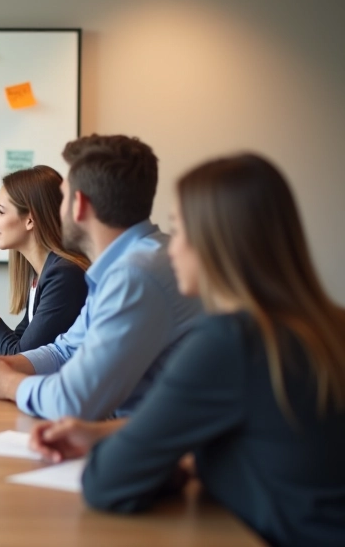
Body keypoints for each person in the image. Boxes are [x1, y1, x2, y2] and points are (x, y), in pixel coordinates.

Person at [29, 154, 345, 547]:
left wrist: (163, 460)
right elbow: (251, 430)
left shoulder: (229, 341)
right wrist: (102, 433)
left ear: (215, 241)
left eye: (178, 230)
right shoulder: (326, 325)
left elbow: (106, 484)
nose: (171, 248)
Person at [0, 135, 202, 420]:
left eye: (63, 196)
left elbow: (76, 400)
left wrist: (9, 383)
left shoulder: (134, 275)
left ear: (79, 205)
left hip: (153, 445)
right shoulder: (130, 262)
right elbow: (64, 350)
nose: (56, 209)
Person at [0, 166, 89, 354]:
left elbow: (19, 357)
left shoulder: (64, 275)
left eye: (1, 211)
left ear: (30, 220)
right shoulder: (43, 272)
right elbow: (18, 348)